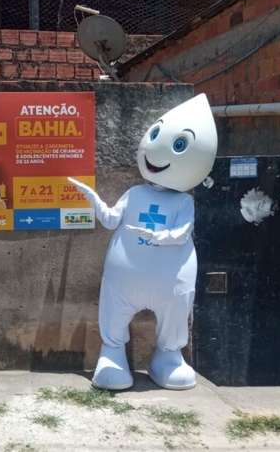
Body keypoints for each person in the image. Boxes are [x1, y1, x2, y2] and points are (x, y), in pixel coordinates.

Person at [69, 94, 217, 391]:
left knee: (175, 311)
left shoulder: (184, 202)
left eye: (179, 145)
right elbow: (111, 220)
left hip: (171, 280)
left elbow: (182, 233)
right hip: (125, 278)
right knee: (115, 310)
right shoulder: (135, 194)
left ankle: (168, 356)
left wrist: (157, 237)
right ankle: (112, 355)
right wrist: (94, 199)